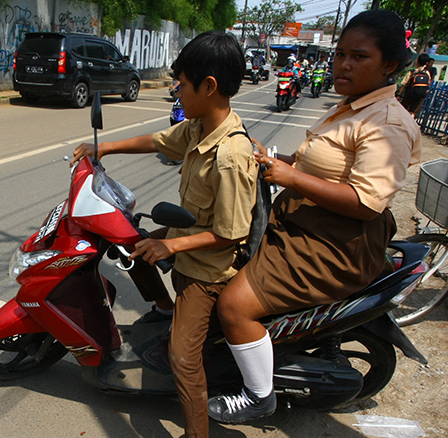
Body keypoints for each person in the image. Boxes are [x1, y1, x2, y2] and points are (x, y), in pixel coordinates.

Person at [207, 9, 421, 425]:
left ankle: (257, 395)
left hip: (334, 243)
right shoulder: (351, 106)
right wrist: (271, 158)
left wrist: (289, 175)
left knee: (234, 305)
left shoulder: (387, 121)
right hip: (304, 222)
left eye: (358, 56)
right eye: (340, 54)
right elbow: (320, 168)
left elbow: (365, 201)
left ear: (389, 65)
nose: (343, 64)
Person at [72, 31, 258, 438]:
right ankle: (163, 307)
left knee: (182, 357)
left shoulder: (231, 155)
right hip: (187, 235)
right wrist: (102, 150)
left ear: (208, 87)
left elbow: (231, 234)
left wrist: (169, 243)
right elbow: (157, 141)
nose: (176, 89)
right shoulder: (197, 128)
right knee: (129, 243)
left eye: (182, 82)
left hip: (207, 270)